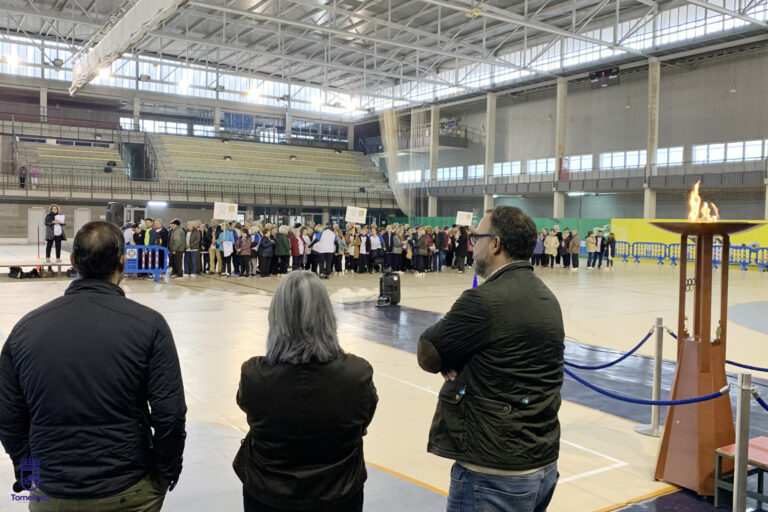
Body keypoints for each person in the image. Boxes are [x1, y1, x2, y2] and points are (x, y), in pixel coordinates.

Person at [0, 221, 186, 511]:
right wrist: (165, 473)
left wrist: (30, 474)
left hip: (51, 489)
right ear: (123, 263)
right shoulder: (150, 325)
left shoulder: (26, 328)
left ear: (73, 262)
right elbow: (170, 414)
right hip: (128, 489)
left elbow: (10, 416)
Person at [416, 206, 564, 512]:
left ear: (495, 244)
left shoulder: (482, 301)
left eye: (476, 237)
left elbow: (428, 353)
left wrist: (450, 358)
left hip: (493, 470)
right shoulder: (547, 297)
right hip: (541, 461)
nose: (473, 244)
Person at [233, 271, 377, 512]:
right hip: (339, 492)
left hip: (268, 492)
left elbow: (247, 407)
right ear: (328, 317)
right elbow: (363, 420)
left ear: (276, 317)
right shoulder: (357, 374)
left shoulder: (254, 375)